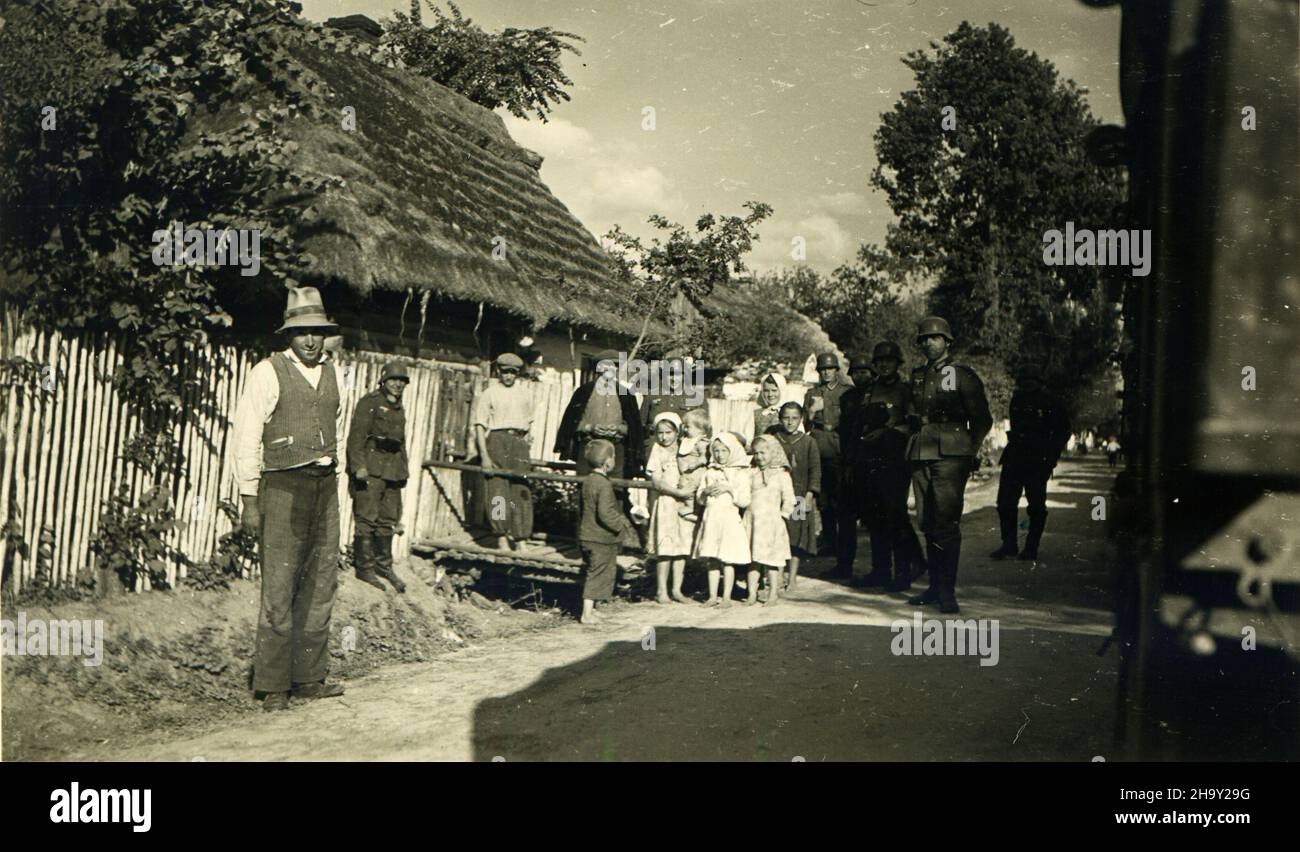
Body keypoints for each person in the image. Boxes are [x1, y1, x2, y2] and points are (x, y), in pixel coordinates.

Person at [232, 286, 347, 712]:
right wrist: (248, 497)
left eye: (317, 332)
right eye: (302, 333)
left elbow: (334, 421)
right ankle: (274, 685)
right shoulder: (267, 372)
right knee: (279, 586)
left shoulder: (337, 373)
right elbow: (246, 436)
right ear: (288, 335)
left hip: (324, 485)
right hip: (282, 486)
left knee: (320, 583)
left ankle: (309, 677)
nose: (311, 341)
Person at [905, 316, 992, 614]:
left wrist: (971, 450)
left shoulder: (961, 375)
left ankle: (947, 592)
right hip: (921, 451)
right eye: (924, 339)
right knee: (927, 521)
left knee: (946, 522)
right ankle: (933, 587)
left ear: (947, 341)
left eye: (935, 338)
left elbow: (982, 419)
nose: (929, 343)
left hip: (951, 454)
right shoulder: (917, 376)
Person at [858, 341, 927, 592]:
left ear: (898, 364)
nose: (884, 365)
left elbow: (913, 425)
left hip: (895, 458)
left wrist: (888, 432)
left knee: (894, 514)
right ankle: (880, 570)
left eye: (889, 361)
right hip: (871, 458)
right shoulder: (869, 389)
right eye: (880, 361)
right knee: (874, 516)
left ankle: (906, 569)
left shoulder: (905, 391)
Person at [990, 364, 1071, 562]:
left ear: (1039, 381)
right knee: (1005, 503)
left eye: (1030, 380)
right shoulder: (1017, 399)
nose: (1026, 384)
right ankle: (1009, 544)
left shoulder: (1052, 402)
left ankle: (1031, 548)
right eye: (1023, 380)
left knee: (1035, 506)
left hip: (1038, 459)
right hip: (1015, 456)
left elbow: (1063, 431)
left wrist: (1051, 457)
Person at [347, 360, 412, 593]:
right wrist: (359, 467)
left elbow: (401, 443)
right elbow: (356, 438)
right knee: (367, 518)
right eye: (393, 380)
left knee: (388, 519)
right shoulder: (370, 403)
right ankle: (364, 568)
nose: (397, 385)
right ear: (383, 380)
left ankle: (384, 566)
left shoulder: (399, 407)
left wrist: (403, 470)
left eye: (402, 381)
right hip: (372, 467)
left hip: (392, 470)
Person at [472, 353, 535, 550]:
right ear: (498, 371)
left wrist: (526, 441)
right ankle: (500, 535)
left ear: (517, 374)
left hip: (519, 443)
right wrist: (484, 456)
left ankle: (521, 538)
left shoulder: (526, 393)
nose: (508, 376)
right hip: (497, 441)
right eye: (505, 372)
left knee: (521, 491)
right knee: (498, 492)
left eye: (512, 373)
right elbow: (480, 427)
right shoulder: (489, 393)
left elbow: (529, 422)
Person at [577, 439, 640, 624]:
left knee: (597, 572)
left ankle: (593, 609)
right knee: (598, 574)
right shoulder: (604, 485)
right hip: (600, 538)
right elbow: (605, 513)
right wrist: (620, 525)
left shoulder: (588, 481)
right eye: (612, 457)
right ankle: (587, 614)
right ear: (607, 462)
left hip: (587, 535)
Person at [556, 350, 644, 480]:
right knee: (585, 486)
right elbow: (570, 423)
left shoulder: (626, 394)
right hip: (589, 447)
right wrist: (589, 428)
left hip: (616, 450)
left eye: (615, 365)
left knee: (615, 489)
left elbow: (634, 426)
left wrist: (620, 429)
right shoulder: (584, 391)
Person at [804, 351, 854, 575]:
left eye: (830, 369)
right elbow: (804, 425)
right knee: (823, 503)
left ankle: (844, 558)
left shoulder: (847, 393)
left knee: (842, 504)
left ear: (836, 370)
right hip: (818, 451)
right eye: (823, 369)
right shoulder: (811, 393)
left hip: (838, 451)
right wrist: (812, 411)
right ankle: (830, 543)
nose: (826, 373)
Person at [692, 432, 752, 607]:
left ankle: (726, 597)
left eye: (724, 451)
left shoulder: (740, 474)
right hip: (712, 520)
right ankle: (712, 596)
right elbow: (700, 498)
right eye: (716, 451)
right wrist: (705, 492)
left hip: (729, 521)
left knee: (728, 558)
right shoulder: (709, 472)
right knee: (713, 559)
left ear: (732, 451)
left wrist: (729, 489)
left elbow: (744, 500)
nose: (719, 455)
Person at [644, 412, 695, 603]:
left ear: (677, 431)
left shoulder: (684, 448)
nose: (664, 437)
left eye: (668, 432)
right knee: (665, 548)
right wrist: (677, 492)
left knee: (681, 547)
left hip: (683, 505)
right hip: (666, 502)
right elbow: (656, 482)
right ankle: (661, 590)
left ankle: (677, 590)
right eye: (660, 433)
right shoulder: (657, 450)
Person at [773, 401, 821, 591]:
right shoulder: (774, 439)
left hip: (800, 496)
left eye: (794, 418)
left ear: (801, 419)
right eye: (786, 418)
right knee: (778, 533)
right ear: (780, 418)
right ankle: (777, 574)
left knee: (797, 537)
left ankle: (792, 577)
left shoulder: (809, 442)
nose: (790, 422)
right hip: (777, 497)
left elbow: (815, 470)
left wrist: (810, 495)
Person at [836, 355, 875, 584]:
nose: (861, 376)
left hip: (871, 463)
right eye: (856, 372)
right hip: (850, 460)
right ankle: (844, 566)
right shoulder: (847, 398)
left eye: (865, 372)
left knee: (874, 519)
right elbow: (845, 432)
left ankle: (880, 569)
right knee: (846, 517)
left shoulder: (877, 395)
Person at [745, 434, 796, 606]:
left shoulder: (781, 475)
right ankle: (752, 594)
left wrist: (782, 515)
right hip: (753, 521)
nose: (759, 457)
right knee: (753, 560)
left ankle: (773, 593)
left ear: (773, 452)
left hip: (771, 523)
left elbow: (789, 498)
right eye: (756, 453)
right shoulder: (751, 473)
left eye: (763, 453)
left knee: (771, 561)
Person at [639, 351, 705, 458]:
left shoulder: (695, 397)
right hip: (655, 450)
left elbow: (705, 430)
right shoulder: (652, 395)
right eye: (670, 374)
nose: (674, 379)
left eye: (678, 374)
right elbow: (641, 425)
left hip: (684, 450)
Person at [676, 407, 712, 522]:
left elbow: (704, 457)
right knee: (683, 486)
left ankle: (690, 509)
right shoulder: (685, 440)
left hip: (695, 473)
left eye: (688, 427)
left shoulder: (700, 442)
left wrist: (696, 464)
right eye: (684, 426)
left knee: (689, 490)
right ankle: (690, 509)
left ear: (700, 429)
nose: (685, 429)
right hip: (686, 473)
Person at [750, 371, 787, 445]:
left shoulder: (789, 412)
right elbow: (749, 438)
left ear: (782, 390)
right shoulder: (756, 414)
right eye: (766, 391)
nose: (770, 394)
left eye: (774, 390)